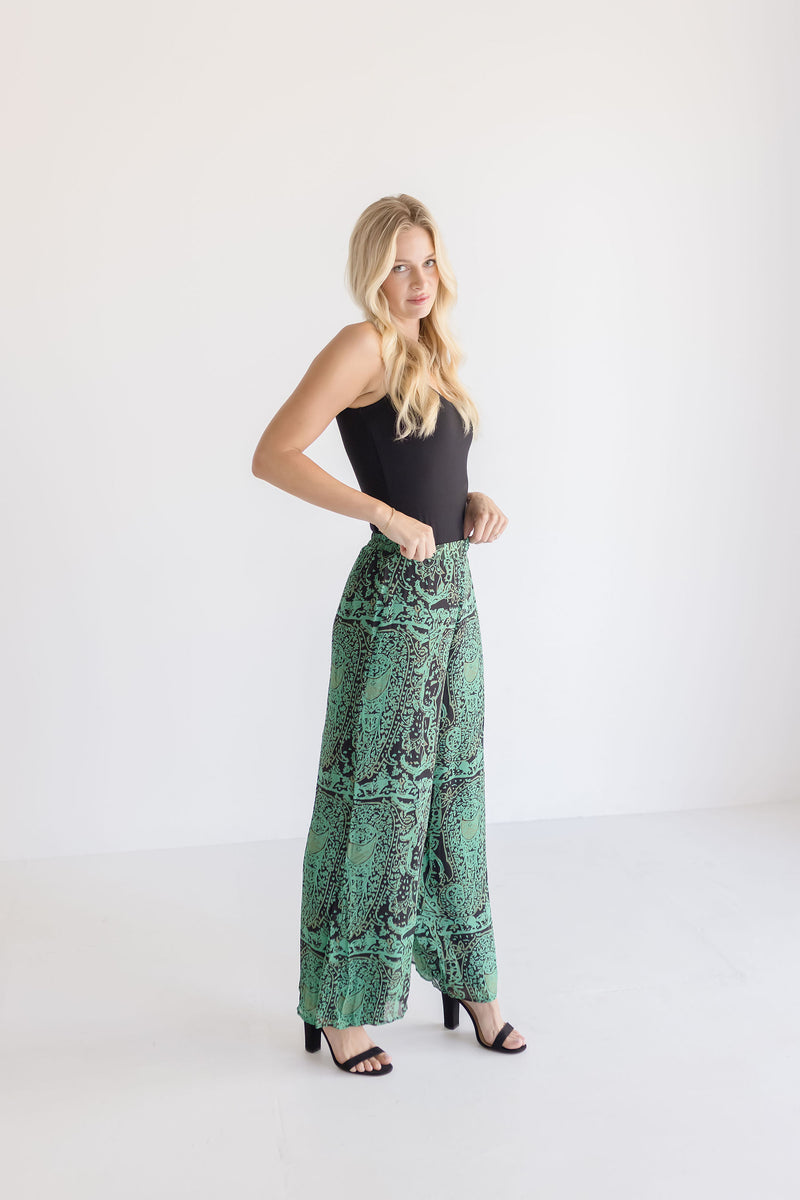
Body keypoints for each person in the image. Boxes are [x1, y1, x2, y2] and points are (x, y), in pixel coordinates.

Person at [251, 193, 526, 1076]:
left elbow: (432, 470)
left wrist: (472, 501)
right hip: (394, 604)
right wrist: (380, 513)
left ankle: (470, 984)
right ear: (374, 271)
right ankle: (340, 1008)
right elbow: (274, 453)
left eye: (428, 261)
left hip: (454, 594)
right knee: (376, 807)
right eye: (400, 265)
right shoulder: (361, 344)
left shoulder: (432, 350)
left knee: (453, 798)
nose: (417, 280)